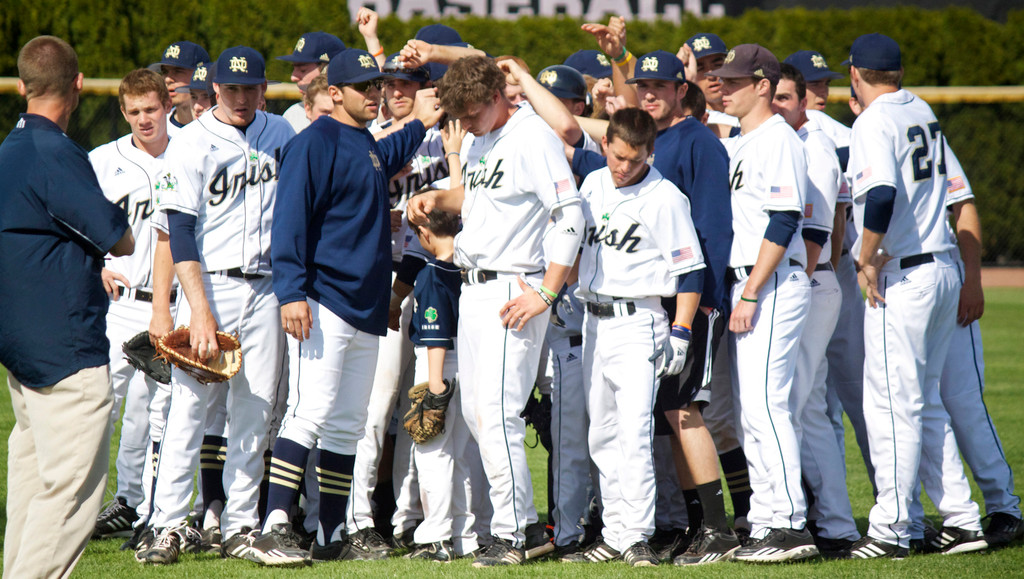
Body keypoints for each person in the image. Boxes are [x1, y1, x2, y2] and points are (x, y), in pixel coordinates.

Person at [255, 48, 442, 564]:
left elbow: (394, 144)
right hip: (322, 299)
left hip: (365, 303)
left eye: (376, 85)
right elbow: (289, 220)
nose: (375, 93)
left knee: (347, 423)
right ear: (334, 92)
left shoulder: (365, 143)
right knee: (307, 413)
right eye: (364, 86)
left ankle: (332, 534)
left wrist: (425, 120)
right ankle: (274, 527)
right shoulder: (313, 143)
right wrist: (292, 291)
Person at [407, 55, 585, 567]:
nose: (464, 123)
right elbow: (483, 197)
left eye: (471, 112)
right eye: (457, 114)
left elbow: (569, 213)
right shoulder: (485, 137)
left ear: (496, 97)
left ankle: (517, 533)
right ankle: (512, 526)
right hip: (475, 286)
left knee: (499, 413)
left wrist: (547, 293)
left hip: (515, 288)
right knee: (474, 413)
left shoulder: (531, 137)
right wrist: (440, 195)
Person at [570, 49, 738, 565]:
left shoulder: (665, 196)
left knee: (636, 433)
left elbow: (690, 269)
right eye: (618, 156)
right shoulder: (594, 182)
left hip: (641, 319)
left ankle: (638, 536)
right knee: (601, 433)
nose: (625, 167)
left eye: (635, 159)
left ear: (649, 153)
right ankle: (616, 533)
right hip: (594, 319)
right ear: (606, 145)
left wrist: (684, 328)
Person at [138, 46, 296, 566]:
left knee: (256, 411)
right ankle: (165, 524)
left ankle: (240, 524)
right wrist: (196, 310)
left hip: (269, 287)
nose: (243, 97)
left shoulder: (282, 134)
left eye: (251, 87)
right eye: (233, 88)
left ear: (264, 88)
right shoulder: (193, 142)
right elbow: (179, 232)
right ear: (216, 90)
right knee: (190, 408)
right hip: (212, 285)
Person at [843, 33, 986, 559]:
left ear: (856, 73)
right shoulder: (920, 109)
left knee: (891, 407)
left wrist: (865, 255)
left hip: (905, 275)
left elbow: (879, 194)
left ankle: (892, 529)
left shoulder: (873, 121)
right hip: (942, 267)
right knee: (925, 406)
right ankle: (963, 520)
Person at [0, 35, 135, 579]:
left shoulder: (8, 151)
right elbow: (118, 237)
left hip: (21, 346)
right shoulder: (54, 151)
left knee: (33, 487)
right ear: (79, 85)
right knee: (70, 496)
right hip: (65, 350)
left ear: (22, 86)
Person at [710, 44, 817, 563]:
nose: (723, 88)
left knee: (767, 406)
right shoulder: (742, 139)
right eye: (722, 80)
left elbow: (783, 219)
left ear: (762, 86)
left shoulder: (778, 138)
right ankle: (768, 520)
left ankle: (789, 524)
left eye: (733, 81)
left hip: (770, 283)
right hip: (751, 282)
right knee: (754, 410)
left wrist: (750, 289)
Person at [771, 63, 861, 558]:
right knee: (806, 407)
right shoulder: (787, 144)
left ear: (804, 102)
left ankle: (825, 524)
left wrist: (801, 283)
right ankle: (832, 522)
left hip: (810, 278)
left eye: (787, 98)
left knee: (793, 406)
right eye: (776, 97)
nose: (779, 105)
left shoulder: (815, 148)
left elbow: (821, 231)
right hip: (811, 281)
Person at [88, 68, 178, 541]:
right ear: (123, 112)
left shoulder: (189, 149)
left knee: (162, 407)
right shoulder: (104, 159)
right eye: (135, 111)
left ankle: (150, 508)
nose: (145, 119)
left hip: (179, 304)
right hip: (123, 304)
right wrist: (96, 265)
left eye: (152, 108)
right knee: (104, 405)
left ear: (168, 104)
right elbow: (73, 221)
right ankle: (101, 503)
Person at [403, 208, 467, 561]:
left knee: (432, 454)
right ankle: (465, 535)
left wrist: (435, 386)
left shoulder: (432, 273)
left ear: (427, 231)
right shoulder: (469, 269)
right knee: (461, 454)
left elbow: (435, 333)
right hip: (467, 364)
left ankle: (436, 537)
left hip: (438, 364)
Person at [276, 31, 346, 133]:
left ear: (328, 70)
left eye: (303, 70)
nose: (293, 77)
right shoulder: (292, 115)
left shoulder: (358, 113)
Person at [151, 40, 210, 134]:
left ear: (200, 73)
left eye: (178, 71)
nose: (167, 79)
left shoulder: (222, 129)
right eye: (165, 72)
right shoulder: (156, 129)